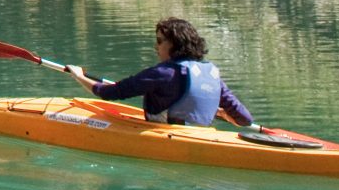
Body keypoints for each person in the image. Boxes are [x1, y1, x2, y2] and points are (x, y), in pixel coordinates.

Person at [63, 17, 255, 128]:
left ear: (174, 43)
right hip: (199, 136)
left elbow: (108, 92)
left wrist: (78, 75)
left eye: (160, 41)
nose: (156, 46)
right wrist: (222, 113)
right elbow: (245, 120)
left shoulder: (162, 73)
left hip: (166, 136)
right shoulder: (210, 74)